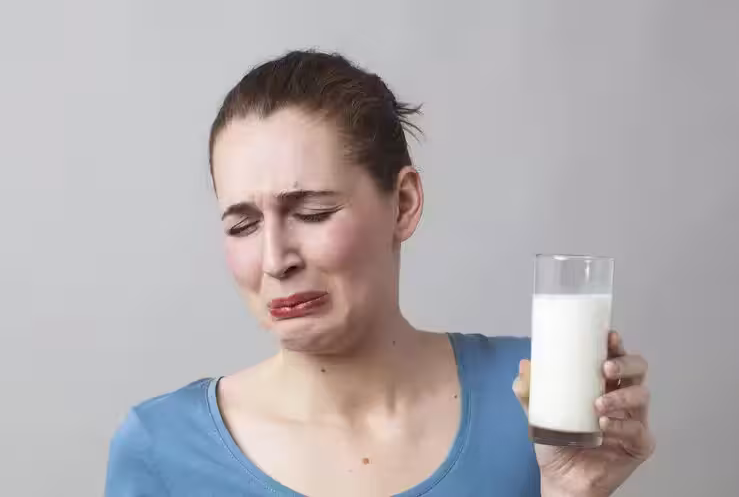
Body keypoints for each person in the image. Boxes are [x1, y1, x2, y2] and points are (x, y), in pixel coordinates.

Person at [105, 50, 654, 497]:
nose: (275, 260)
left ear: (404, 204)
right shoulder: (162, 448)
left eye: (313, 213)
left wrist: (572, 491)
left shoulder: (535, 397)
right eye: (243, 225)